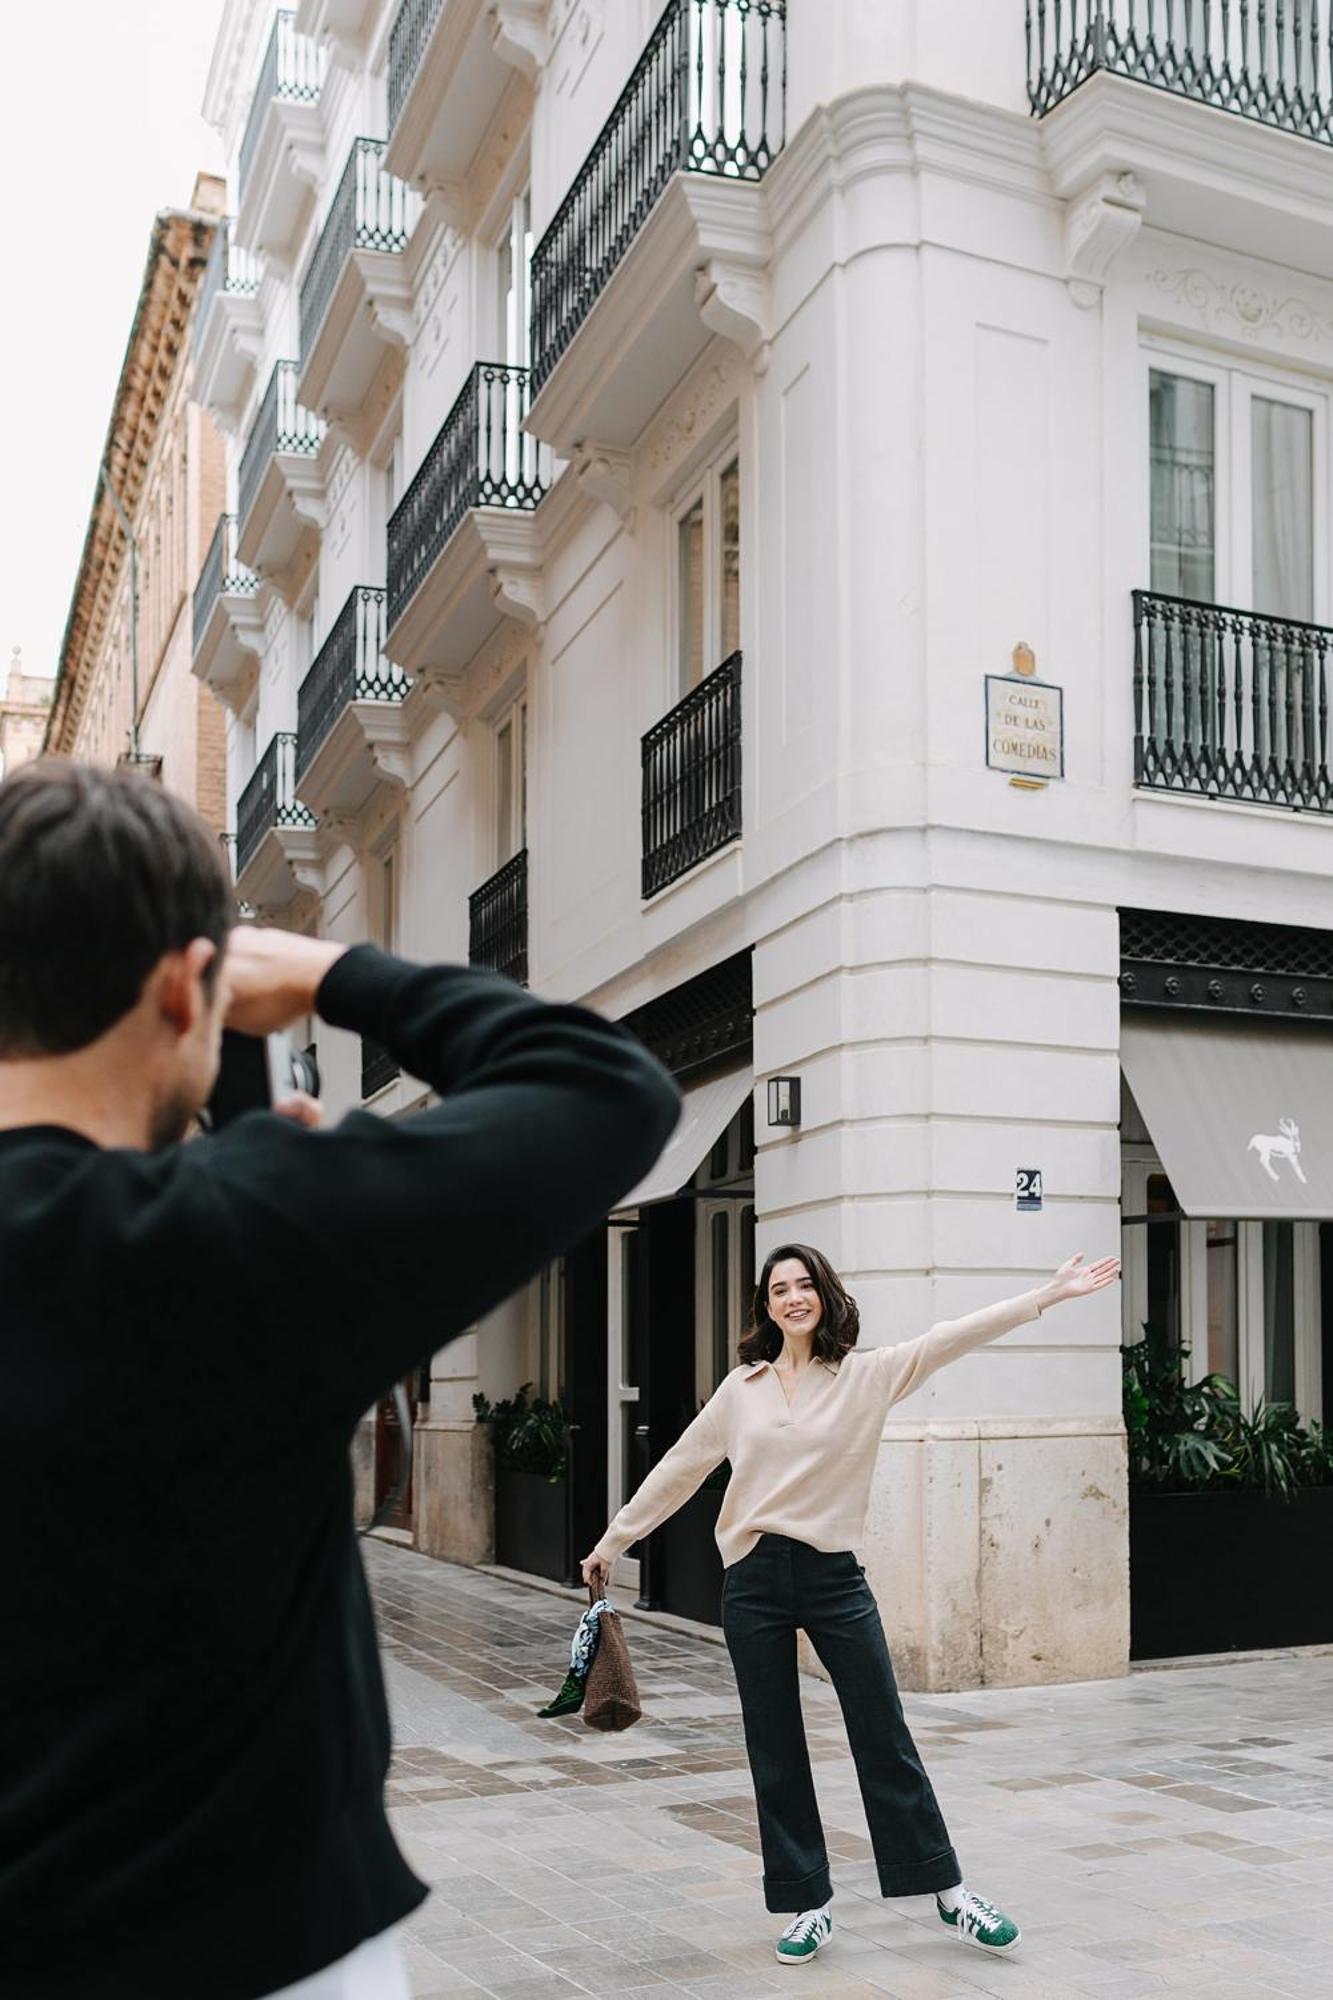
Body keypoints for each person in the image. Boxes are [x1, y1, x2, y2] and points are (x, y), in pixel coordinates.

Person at [0, 759, 680, 2000]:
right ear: (182, 983)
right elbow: (602, 1084)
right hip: (252, 1935)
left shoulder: (229, 1221)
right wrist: (328, 971)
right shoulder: (233, 1242)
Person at [583, 1239, 1120, 1967]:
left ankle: (948, 1893)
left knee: (882, 1732)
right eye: (778, 1290)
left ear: (824, 1295)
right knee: (773, 1746)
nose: (792, 1298)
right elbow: (680, 1465)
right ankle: (807, 1903)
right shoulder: (741, 1389)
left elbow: (952, 1336)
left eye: (803, 1285)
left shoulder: (865, 1376)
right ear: (765, 1307)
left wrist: (1045, 1296)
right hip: (753, 1577)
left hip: (834, 1575)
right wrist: (615, 1541)